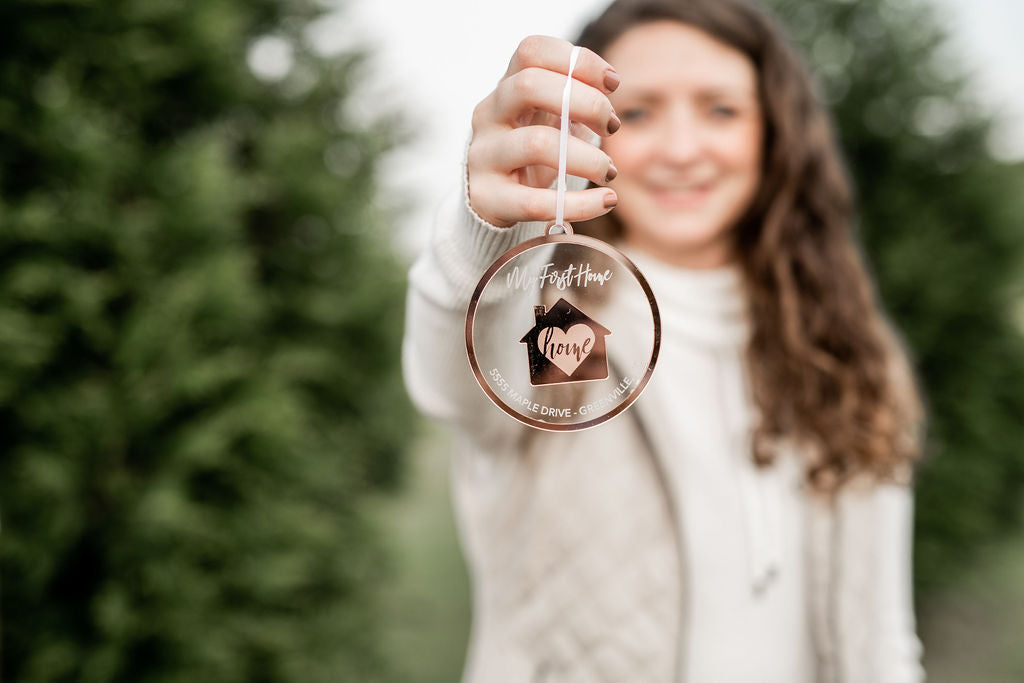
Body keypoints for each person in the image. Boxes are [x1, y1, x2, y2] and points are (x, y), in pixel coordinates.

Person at [402, 0, 927, 681]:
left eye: (720, 109)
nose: (682, 149)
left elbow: (881, 634)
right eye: (640, 112)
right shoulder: (572, 326)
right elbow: (461, 386)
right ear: (588, 134)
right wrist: (486, 231)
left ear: (776, 131)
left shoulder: (844, 344)